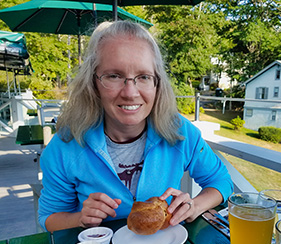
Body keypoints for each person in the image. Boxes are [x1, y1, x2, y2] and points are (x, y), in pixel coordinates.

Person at [38, 20, 233, 232]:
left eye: (143, 77)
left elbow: (221, 181)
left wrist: (194, 206)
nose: (130, 93)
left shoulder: (180, 132)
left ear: (157, 84)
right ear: (93, 83)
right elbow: (49, 217)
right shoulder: (65, 145)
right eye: (114, 76)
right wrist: (80, 219)